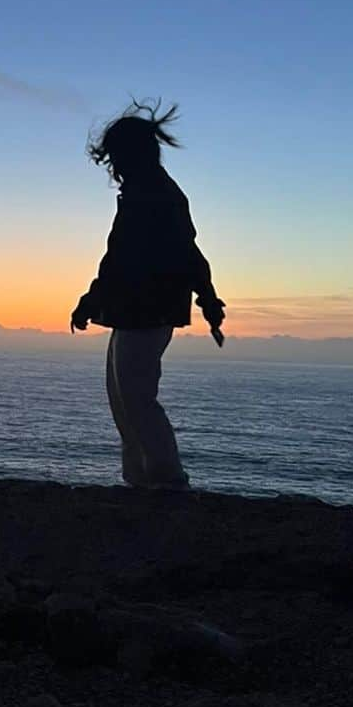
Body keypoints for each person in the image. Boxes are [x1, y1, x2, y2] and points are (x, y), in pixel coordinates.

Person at [70, 100, 225, 491]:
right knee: (125, 402)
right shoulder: (145, 192)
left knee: (136, 400)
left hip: (148, 310)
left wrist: (208, 299)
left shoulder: (156, 195)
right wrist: (93, 299)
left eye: (116, 156)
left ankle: (167, 483)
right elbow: (118, 258)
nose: (113, 167)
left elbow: (186, 252)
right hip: (132, 310)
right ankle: (141, 481)